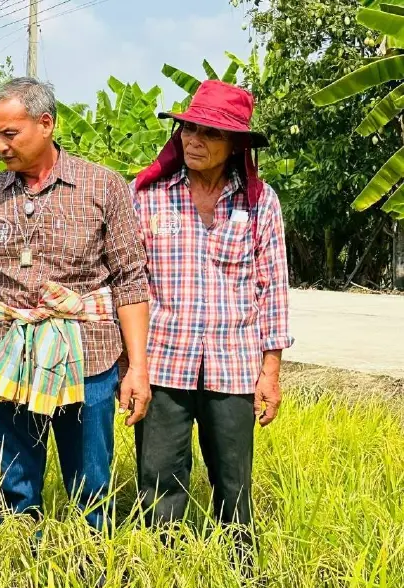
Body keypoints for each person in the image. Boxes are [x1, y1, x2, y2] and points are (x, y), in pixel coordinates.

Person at [0, 77, 152, 531]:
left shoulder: (102, 186)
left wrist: (137, 368)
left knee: (91, 484)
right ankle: (21, 569)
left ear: (46, 124)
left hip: (88, 358)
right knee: (15, 483)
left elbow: (129, 279)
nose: (0, 145)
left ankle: (89, 572)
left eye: (10, 134)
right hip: (8, 356)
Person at [130, 80, 293, 539]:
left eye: (210, 133)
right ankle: (160, 577)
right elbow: (131, 284)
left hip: (235, 367)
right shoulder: (148, 196)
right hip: (164, 364)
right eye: (188, 129)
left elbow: (273, 288)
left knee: (234, 486)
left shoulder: (260, 203)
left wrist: (271, 372)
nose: (194, 140)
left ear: (236, 144)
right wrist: (132, 365)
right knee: (159, 483)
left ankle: (239, 578)